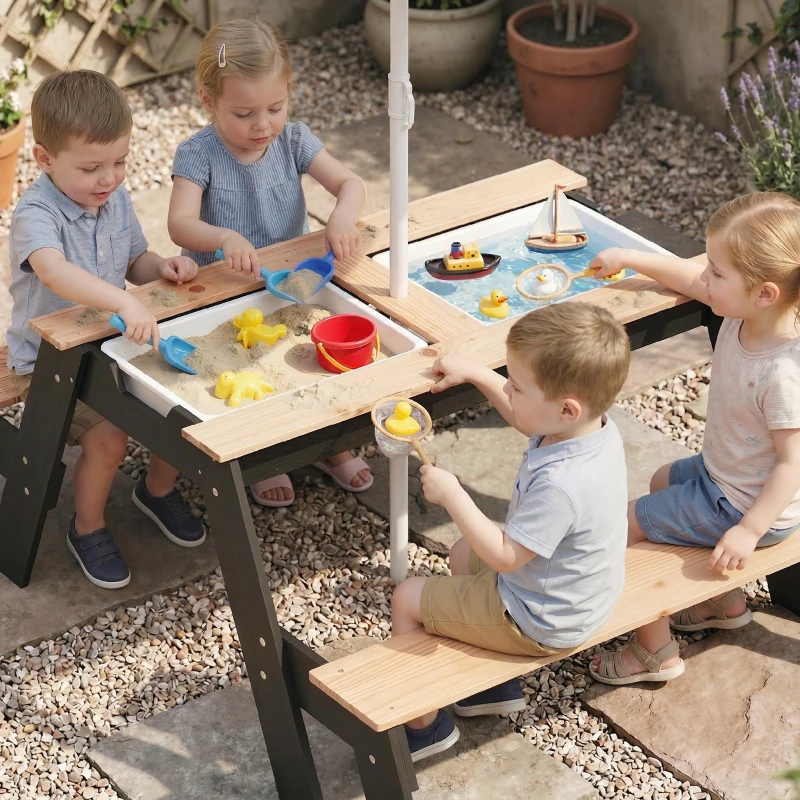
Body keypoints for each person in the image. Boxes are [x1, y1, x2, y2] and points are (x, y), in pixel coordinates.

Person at [391, 302, 631, 761]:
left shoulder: (562, 483)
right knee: (462, 555)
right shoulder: (588, 430)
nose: (508, 391)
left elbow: (504, 557)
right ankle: (489, 689)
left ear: (565, 408)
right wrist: (479, 375)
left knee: (407, 598)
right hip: (578, 589)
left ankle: (424, 728)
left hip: (543, 617)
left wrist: (454, 495)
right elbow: (527, 417)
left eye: (515, 386)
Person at [589, 192, 800, 686]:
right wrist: (625, 258)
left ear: (765, 292)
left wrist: (748, 531)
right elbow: (683, 276)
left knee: (623, 527)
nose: (704, 279)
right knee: (663, 478)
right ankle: (720, 602)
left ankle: (653, 650)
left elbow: (792, 464)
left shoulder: (782, 375)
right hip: (722, 476)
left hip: (743, 506)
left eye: (717, 273)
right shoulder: (745, 313)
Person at [6, 70, 205, 589]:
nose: (109, 178)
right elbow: (52, 270)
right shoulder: (35, 213)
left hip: (113, 343)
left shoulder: (111, 197)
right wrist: (120, 298)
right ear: (45, 160)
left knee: (182, 401)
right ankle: (87, 525)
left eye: (119, 162)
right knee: (110, 438)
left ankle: (156, 491)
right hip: (52, 362)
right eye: (92, 167)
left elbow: (134, 258)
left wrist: (160, 266)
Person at [167, 18, 373, 507]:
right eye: (243, 113)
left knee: (315, 362)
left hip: (290, 283)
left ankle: (331, 445)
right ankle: (266, 452)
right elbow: (179, 224)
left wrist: (341, 219)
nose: (262, 125)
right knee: (245, 373)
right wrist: (221, 237)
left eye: (275, 108)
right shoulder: (198, 154)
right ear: (207, 100)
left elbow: (352, 185)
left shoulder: (293, 140)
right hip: (223, 289)